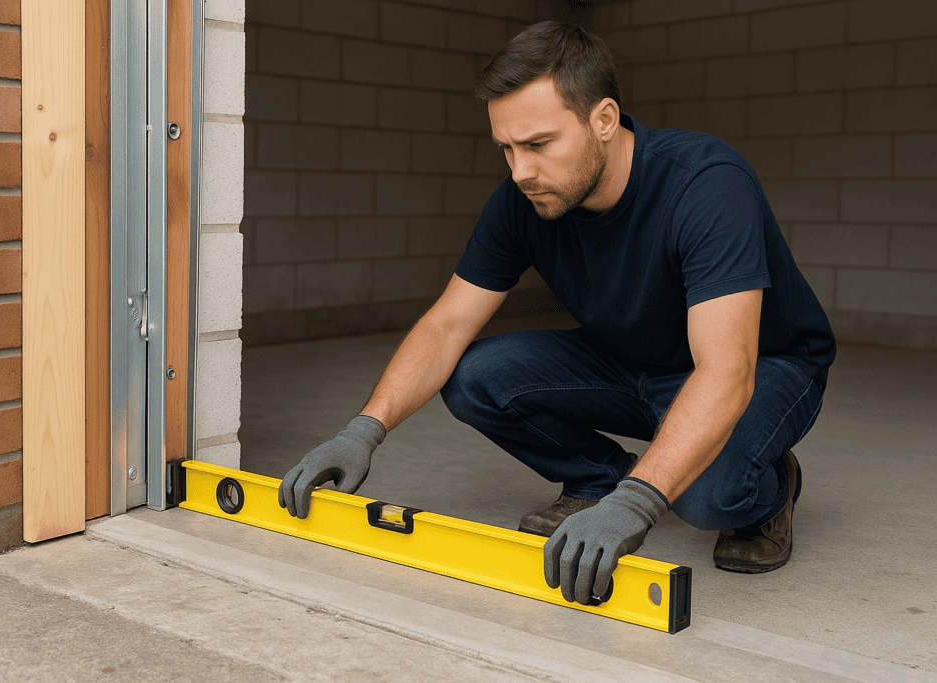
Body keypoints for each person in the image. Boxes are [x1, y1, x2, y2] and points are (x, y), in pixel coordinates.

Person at [277, 21, 835, 606]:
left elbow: (727, 370)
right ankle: (598, 479)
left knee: (705, 496)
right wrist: (361, 432)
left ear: (604, 119)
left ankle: (770, 490)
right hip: (629, 362)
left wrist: (639, 502)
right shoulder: (521, 199)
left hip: (765, 368)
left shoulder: (705, 183)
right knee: (476, 376)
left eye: (539, 144)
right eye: (506, 149)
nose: (520, 171)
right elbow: (446, 326)